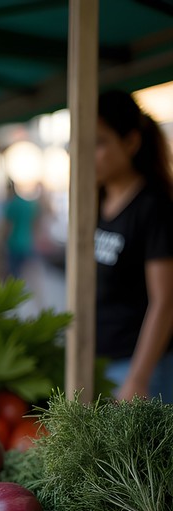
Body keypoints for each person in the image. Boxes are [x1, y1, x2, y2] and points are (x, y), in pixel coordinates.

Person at [94, 89, 173, 401]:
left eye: (99, 142)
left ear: (131, 142)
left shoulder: (154, 208)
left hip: (142, 368)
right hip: (102, 362)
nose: (86, 153)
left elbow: (165, 301)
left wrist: (138, 378)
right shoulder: (94, 202)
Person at [1, 180, 40, 278]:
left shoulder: (12, 205)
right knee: (25, 274)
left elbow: (7, 226)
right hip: (27, 243)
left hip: (14, 244)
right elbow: (35, 223)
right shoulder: (26, 205)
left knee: (13, 275)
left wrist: (2, 240)